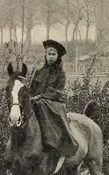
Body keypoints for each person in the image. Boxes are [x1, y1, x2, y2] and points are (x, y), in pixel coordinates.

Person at [5, 39, 78, 167]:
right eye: (48, 54)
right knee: (21, 110)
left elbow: (58, 92)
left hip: (52, 103)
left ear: (58, 57)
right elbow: (31, 89)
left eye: (53, 54)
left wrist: (41, 96)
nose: (50, 57)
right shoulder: (39, 72)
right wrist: (29, 96)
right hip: (36, 100)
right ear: (45, 55)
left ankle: (53, 142)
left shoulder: (60, 74)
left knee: (40, 105)